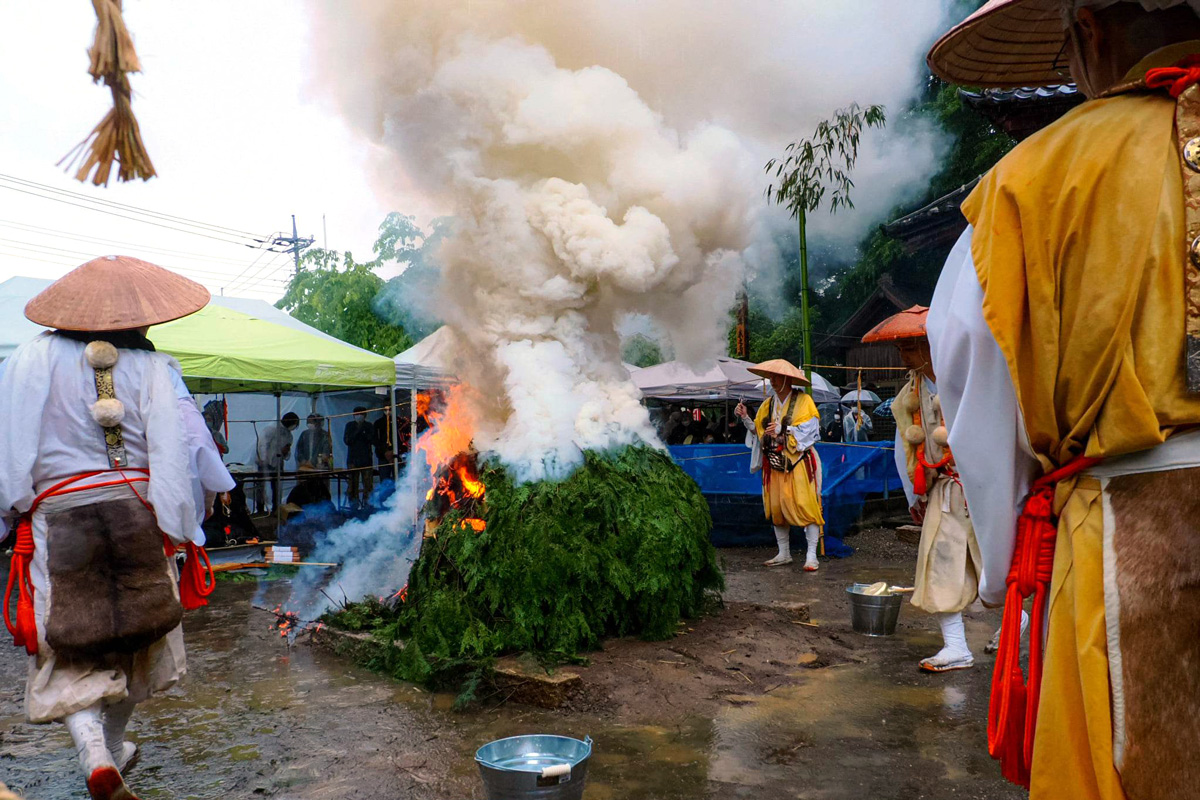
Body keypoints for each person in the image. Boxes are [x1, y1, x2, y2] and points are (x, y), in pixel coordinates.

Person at [926, 1, 1200, 795]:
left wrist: (1008, 571)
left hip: (1120, 542)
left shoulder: (1029, 182)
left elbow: (980, 384)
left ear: (1089, 30)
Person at [0, 255, 234, 800]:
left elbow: (10, 448)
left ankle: (97, 752)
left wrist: (13, 508)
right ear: (136, 319)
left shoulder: (31, 358)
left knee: (71, 640)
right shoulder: (153, 368)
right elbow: (178, 451)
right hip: (137, 512)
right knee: (139, 633)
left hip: (59, 517)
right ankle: (113, 747)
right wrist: (180, 526)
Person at [863, 306, 983, 672]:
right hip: (943, 490)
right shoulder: (907, 397)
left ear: (931, 344)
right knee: (940, 564)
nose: (903, 354)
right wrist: (913, 493)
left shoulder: (967, 381)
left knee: (995, 566)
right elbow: (905, 448)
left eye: (910, 346)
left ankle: (1019, 622)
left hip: (981, 488)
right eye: (900, 347)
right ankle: (957, 647)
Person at [735, 359, 824, 570]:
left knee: (806, 505)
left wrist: (785, 431)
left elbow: (811, 430)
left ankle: (812, 555)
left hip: (798, 461)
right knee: (776, 507)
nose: (772, 381)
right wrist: (746, 417)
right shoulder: (767, 405)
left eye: (776, 378)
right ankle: (784, 553)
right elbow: (758, 431)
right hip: (774, 463)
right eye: (771, 378)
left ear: (787, 379)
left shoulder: (804, 401)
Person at [254, 411, 298, 514]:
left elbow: (287, 451)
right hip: (264, 462)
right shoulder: (271, 429)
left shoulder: (289, 435)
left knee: (277, 487)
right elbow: (262, 444)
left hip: (277, 463)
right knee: (261, 487)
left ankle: (276, 508)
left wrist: (286, 453)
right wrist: (263, 459)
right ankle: (260, 509)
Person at [343, 407, 376, 509]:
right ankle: (353, 505)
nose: (359, 416)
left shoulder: (369, 426)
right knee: (352, 484)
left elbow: (371, 439)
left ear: (365, 415)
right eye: (357, 414)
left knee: (368, 485)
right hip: (353, 460)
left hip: (366, 460)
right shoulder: (350, 425)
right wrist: (358, 431)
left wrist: (363, 431)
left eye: (361, 414)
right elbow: (347, 441)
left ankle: (367, 505)